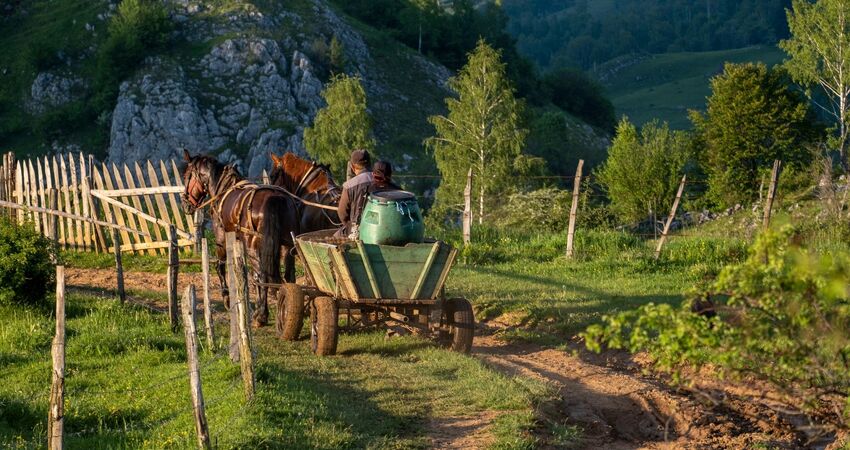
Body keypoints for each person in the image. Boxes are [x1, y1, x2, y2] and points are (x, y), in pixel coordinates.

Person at [336, 149, 372, 238]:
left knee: (332, 239)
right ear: (370, 164)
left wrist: (351, 226)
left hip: (358, 231)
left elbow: (342, 214)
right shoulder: (383, 181)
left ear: (352, 166)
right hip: (380, 229)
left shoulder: (349, 186)